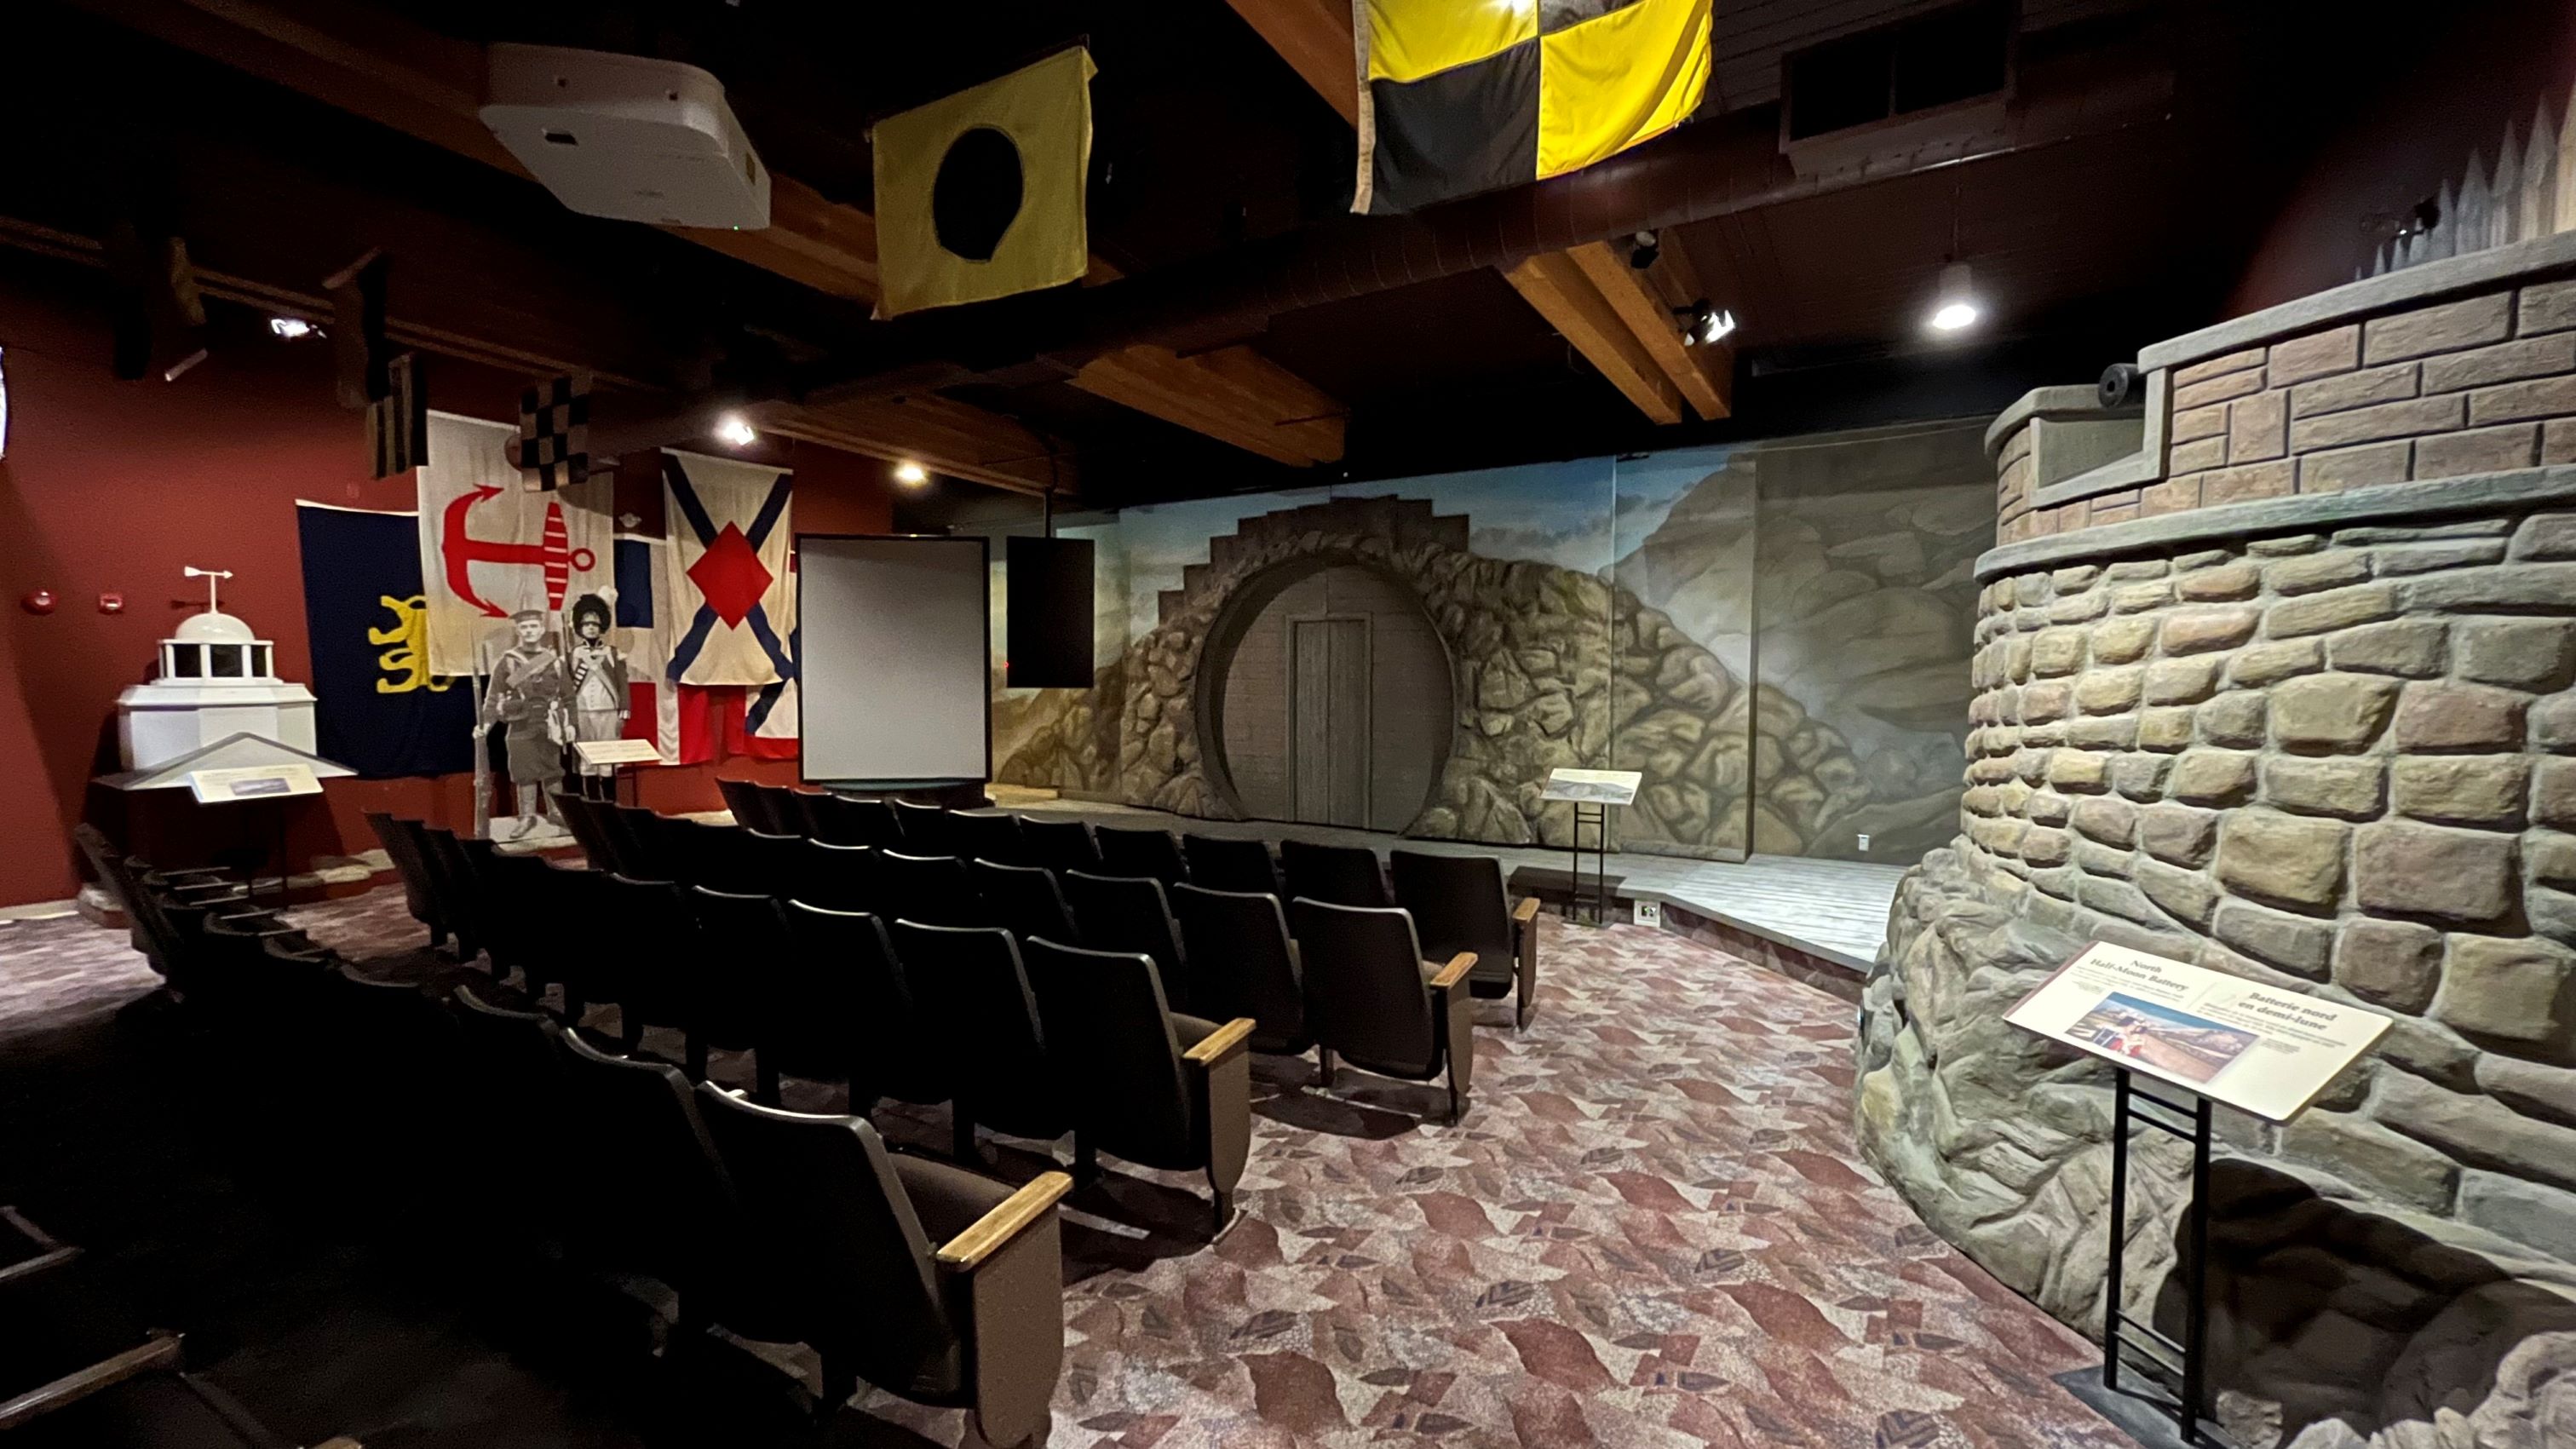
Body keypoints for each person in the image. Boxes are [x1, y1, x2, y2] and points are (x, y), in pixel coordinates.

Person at [475, 609, 567, 839]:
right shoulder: (507, 662)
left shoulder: (554, 661)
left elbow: (568, 696)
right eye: (524, 627)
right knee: (524, 773)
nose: (529, 631)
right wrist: (486, 725)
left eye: (534, 626)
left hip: (548, 723)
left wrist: (572, 724)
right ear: (518, 631)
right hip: (520, 725)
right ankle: (527, 817)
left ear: (541, 629)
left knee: (552, 770)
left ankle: (557, 812)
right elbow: (494, 696)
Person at [564, 592, 630, 793]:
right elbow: (566, 687)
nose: (591, 628)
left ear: (601, 626)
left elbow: (622, 683)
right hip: (582, 711)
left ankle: (609, 801)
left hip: (608, 710)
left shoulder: (612, 653)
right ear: (580, 628)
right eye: (586, 624)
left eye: (594, 623)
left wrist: (624, 709)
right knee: (587, 755)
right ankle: (592, 802)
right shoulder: (573, 655)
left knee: (608, 756)